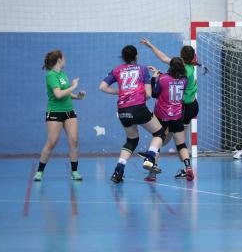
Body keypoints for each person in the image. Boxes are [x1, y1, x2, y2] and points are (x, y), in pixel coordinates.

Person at [99, 45, 165, 183]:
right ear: (136, 56)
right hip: (138, 108)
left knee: (131, 140)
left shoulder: (116, 70)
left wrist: (120, 92)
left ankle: (118, 170)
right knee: (159, 133)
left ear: (123, 58)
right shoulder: (142, 69)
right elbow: (147, 95)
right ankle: (150, 157)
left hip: (122, 110)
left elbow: (102, 87)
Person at [140, 38, 203, 179]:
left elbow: (163, 61)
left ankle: (152, 165)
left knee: (162, 138)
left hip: (180, 108)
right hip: (191, 106)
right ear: (193, 57)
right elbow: (175, 77)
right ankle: (187, 167)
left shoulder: (173, 74)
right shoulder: (189, 70)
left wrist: (157, 76)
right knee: (180, 140)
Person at [34, 50, 86, 182]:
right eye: (64, 58)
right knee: (51, 142)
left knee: (74, 141)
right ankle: (40, 171)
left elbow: (66, 93)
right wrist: (74, 86)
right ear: (59, 60)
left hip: (69, 112)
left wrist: (78, 97)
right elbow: (58, 94)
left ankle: (74, 171)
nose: (65, 61)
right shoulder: (51, 75)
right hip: (55, 112)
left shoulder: (63, 74)